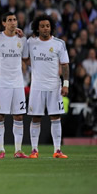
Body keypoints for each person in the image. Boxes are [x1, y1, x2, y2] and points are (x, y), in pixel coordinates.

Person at [0, 12, 29, 159]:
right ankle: (1, 150)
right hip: (2, 83)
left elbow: (27, 59)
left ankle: (18, 150)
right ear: (4, 23)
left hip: (17, 83)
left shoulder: (22, 40)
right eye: (9, 20)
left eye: (15, 19)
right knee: (0, 116)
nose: (13, 22)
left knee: (19, 116)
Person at [27, 14, 70, 159]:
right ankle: (34, 150)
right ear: (37, 29)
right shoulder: (30, 43)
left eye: (48, 26)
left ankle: (57, 150)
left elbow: (65, 65)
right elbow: (25, 59)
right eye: (42, 26)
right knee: (36, 118)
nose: (45, 29)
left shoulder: (59, 43)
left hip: (54, 86)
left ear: (51, 27)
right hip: (37, 86)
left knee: (55, 117)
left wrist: (65, 84)